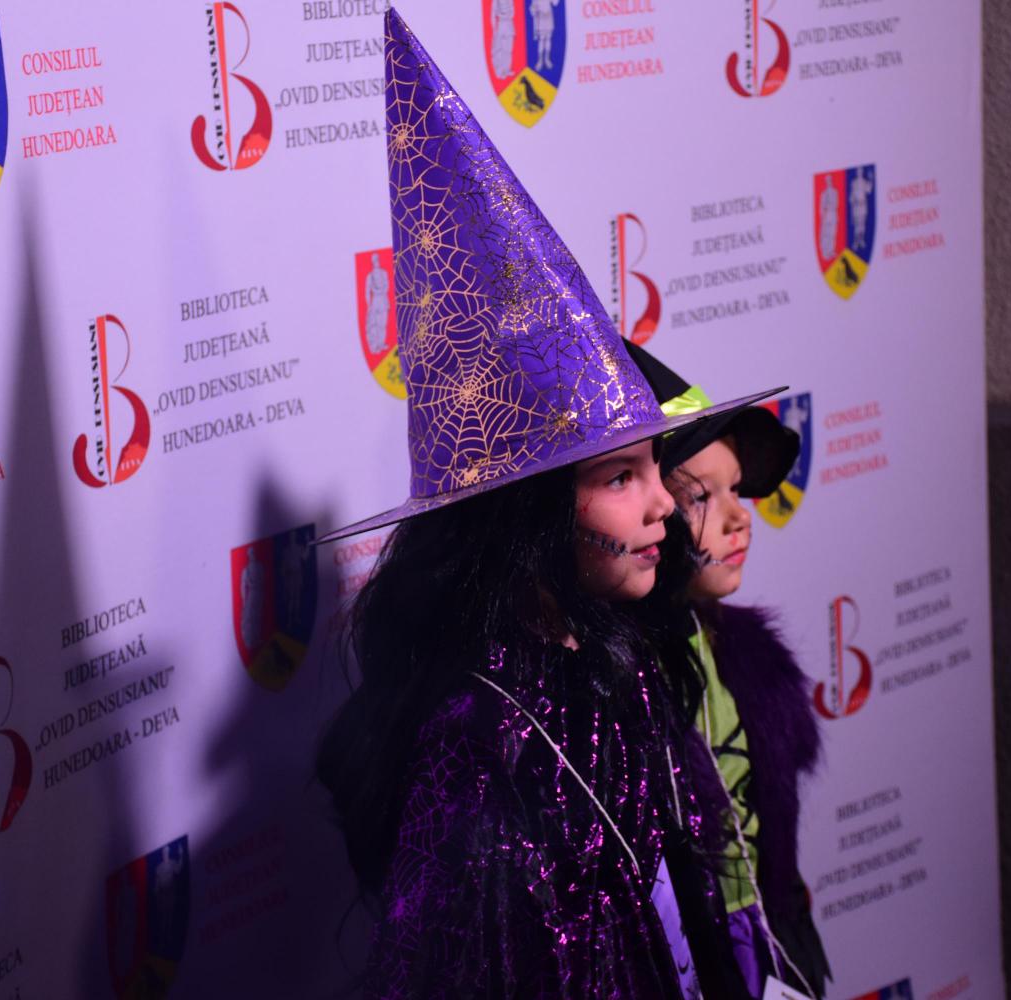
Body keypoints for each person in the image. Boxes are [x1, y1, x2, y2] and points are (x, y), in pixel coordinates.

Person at [316, 11, 786, 997]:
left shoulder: (629, 668)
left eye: (654, 467)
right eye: (619, 478)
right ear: (525, 519)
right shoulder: (477, 744)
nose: (664, 506)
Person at [627, 341, 834, 998]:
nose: (740, 517)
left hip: (770, 948)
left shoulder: (745, 657)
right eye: (699, 498)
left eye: (736, 489)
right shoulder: (610, 691)